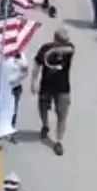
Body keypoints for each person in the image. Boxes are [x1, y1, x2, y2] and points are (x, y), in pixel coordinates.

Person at [29, 29, 74, 157]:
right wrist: (33, 82)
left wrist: (55, 50)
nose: (65, 44)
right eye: (62, 42)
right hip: (46, 86)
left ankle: (59, 141)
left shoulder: (68, 48)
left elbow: (70, 50)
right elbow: (37, 65)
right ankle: (45, 126)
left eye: (66, 42)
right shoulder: (44, 49)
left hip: (62, 88)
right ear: (55, 40)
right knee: (43, 108)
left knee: (62, 115)